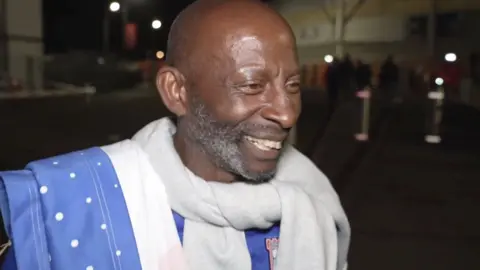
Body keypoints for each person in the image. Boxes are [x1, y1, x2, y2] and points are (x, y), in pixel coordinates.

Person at [0, 1, 350, 269]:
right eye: (252, 85)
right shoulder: (71, 209)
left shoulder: (316, 204)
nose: (287, 113)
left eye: (293, 85)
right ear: (177, 91)